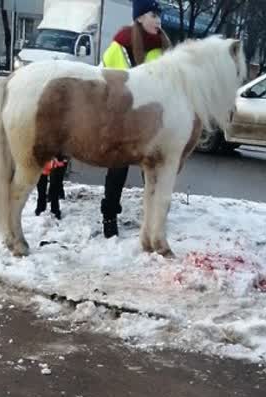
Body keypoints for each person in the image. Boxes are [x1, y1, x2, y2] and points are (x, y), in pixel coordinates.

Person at [98, 0, 171, 238]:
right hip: (121, 121)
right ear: (139, 17)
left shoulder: (162, 48)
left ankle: (153, 219)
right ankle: (109, 216)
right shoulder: (117, 47)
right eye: (153, 14)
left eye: (159, 15)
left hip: (149, 123)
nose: (158, 20)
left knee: (151, 172)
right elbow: (102, 81)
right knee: (117, 171)